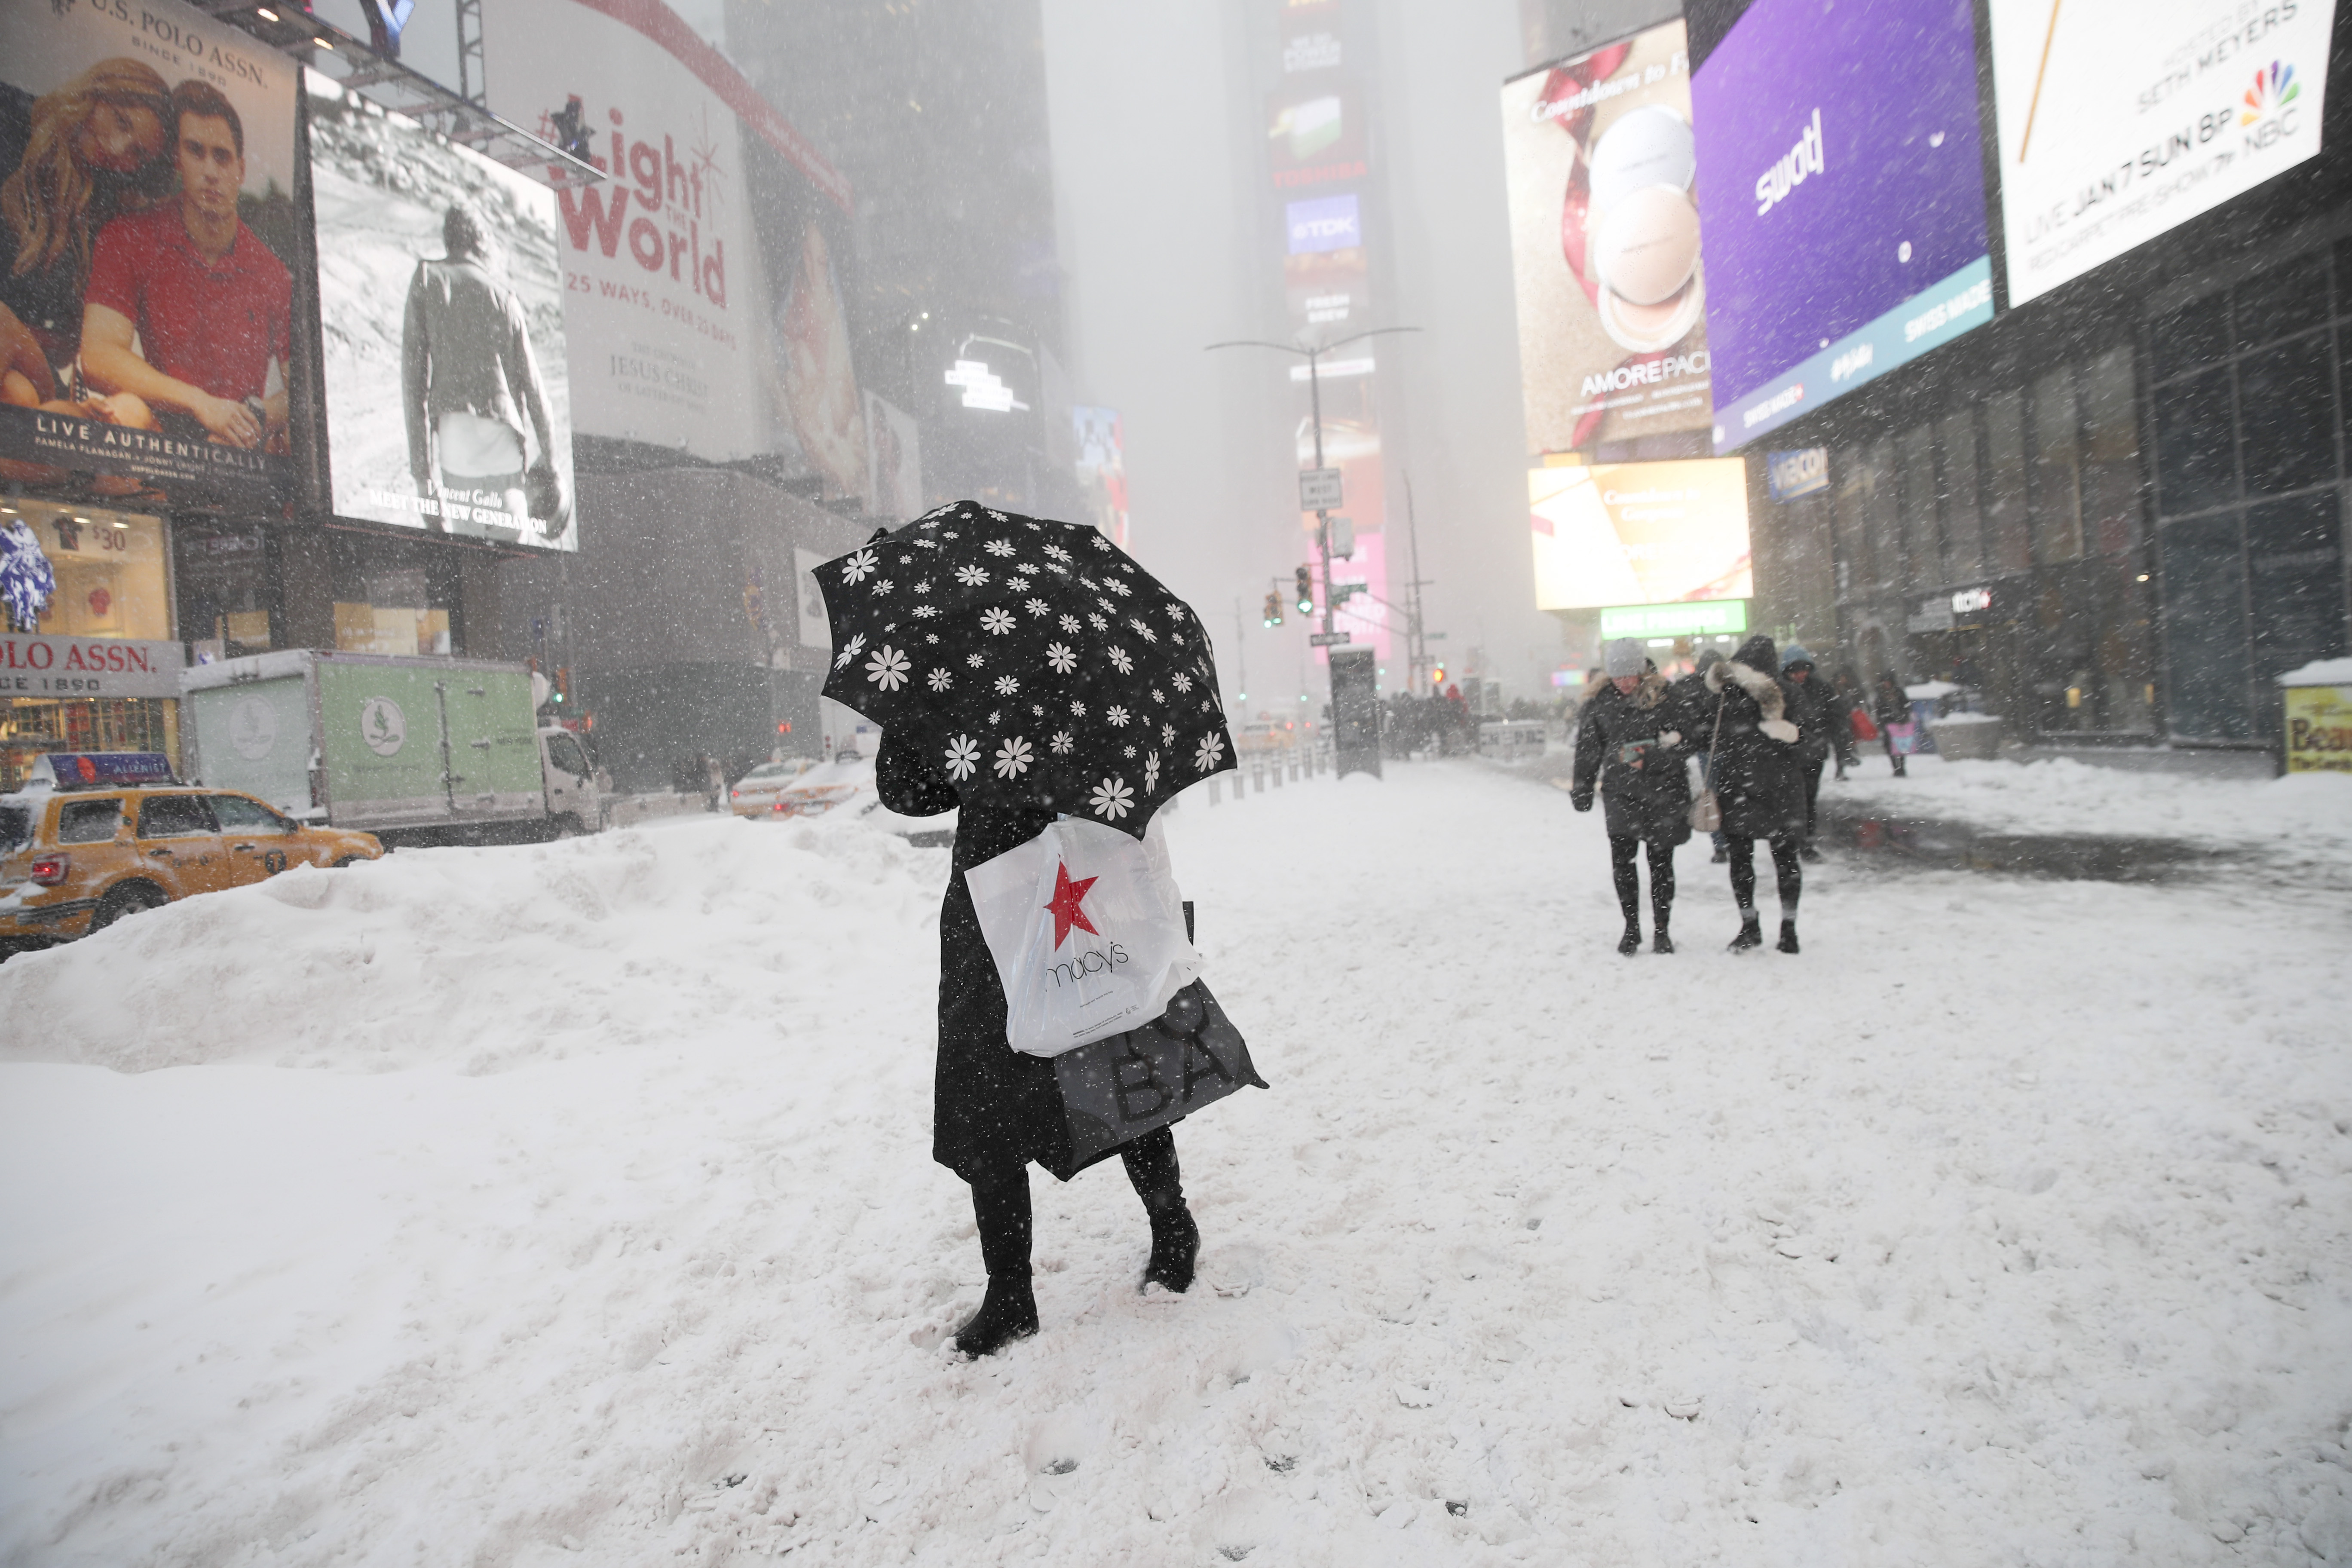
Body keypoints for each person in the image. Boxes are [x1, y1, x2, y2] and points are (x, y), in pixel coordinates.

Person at [875, 729, 1201, 1359]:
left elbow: (1136, 778)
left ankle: (1172, 1224)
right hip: (990, 909)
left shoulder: (1082, 668)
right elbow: (908, 792)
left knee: (1114, 1059)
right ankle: (1010, 1292)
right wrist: (916, 726)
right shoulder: (955, 674)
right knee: (983, 1098)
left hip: (1081, 889)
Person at [78, 80, 291, 450]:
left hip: (242, 447)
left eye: (222, 157)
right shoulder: (130, 237)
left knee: (292, 443)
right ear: (178, 159)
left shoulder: (271, 271)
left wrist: (254, 418)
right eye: (196, 152)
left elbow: (305, 391)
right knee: (125, 411)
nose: (211, 171)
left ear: (240, 170)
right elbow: (98, 356)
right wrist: (201, 404)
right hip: (163, 443)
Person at [0, 59, 173, 415]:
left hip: (33, 370)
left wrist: (22, 336)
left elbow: (69, 344)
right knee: (17, 393)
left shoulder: (108, 210)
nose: (117, 147)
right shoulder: (12, 122)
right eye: (120, 121)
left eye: (137, 153)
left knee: (23, 394)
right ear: (96, 93)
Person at [402, 202, 565, 542]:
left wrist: (424, 477)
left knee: (472, 571)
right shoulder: (504, 296)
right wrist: (550, 460)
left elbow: (413, 386)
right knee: (511, 569)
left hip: (457, 448)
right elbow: (535, 390)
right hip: (504, 451)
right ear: (481, 241)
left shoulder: (426, 280)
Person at [1571, 638, 1694, 954]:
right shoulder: (1599, 703)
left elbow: (1690, 741)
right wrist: (1582, 787)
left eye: (1630, 675)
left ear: (1641, 670)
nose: (1624, 683)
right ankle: (1631, 927)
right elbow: (1588, 749)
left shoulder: (1666, 697)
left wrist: (1651, 759)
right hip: (1621, 794)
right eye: (1617, 676)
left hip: (1663, 793)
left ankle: (1661, 930)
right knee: (1623, 865)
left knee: (1661, 865)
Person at [1705, 633, 1809, 953]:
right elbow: (1812, 742)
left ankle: (1749, 925)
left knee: (1741, 862)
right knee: (1786, 862)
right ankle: (1789, 929)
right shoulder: (1788, 693)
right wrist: (1792, 736)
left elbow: (1711, 735)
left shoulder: (1727, 695)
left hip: (1739, 790)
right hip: (1781, 791)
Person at [1779, 644, 1852, 861]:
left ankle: (1806, 843)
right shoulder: (1779, 690)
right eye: (1795, 670)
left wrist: (1837, 744)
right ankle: (1792, 842)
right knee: (1791, 802)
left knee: (1808, 800)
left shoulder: (1821, 688)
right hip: (1789, 756)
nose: (1801, 675)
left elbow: (1836, 718)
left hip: (1813, 755)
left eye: (1804, 670)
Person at [1672, 648, 1729, 863]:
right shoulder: (1724, 686)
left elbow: (1689, 717)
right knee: (1721, 793)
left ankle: (1720, 843)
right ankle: (1724, 839)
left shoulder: (1690, 687)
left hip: (1708, 749)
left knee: (1711, 794)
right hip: (1723, 747)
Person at [1874, 670, 1911, 777]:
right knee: (1889, 747)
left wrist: (1903, 717)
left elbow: (1906, 705)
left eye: (1888, 681)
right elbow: (1879, 710)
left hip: (1899, 724)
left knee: (1901, 746)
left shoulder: (1899, 692)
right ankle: (1896, 767)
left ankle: (1902, 767)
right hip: (1888, 724)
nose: (1886, 684)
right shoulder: (1881, 695)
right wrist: (1882, 722)